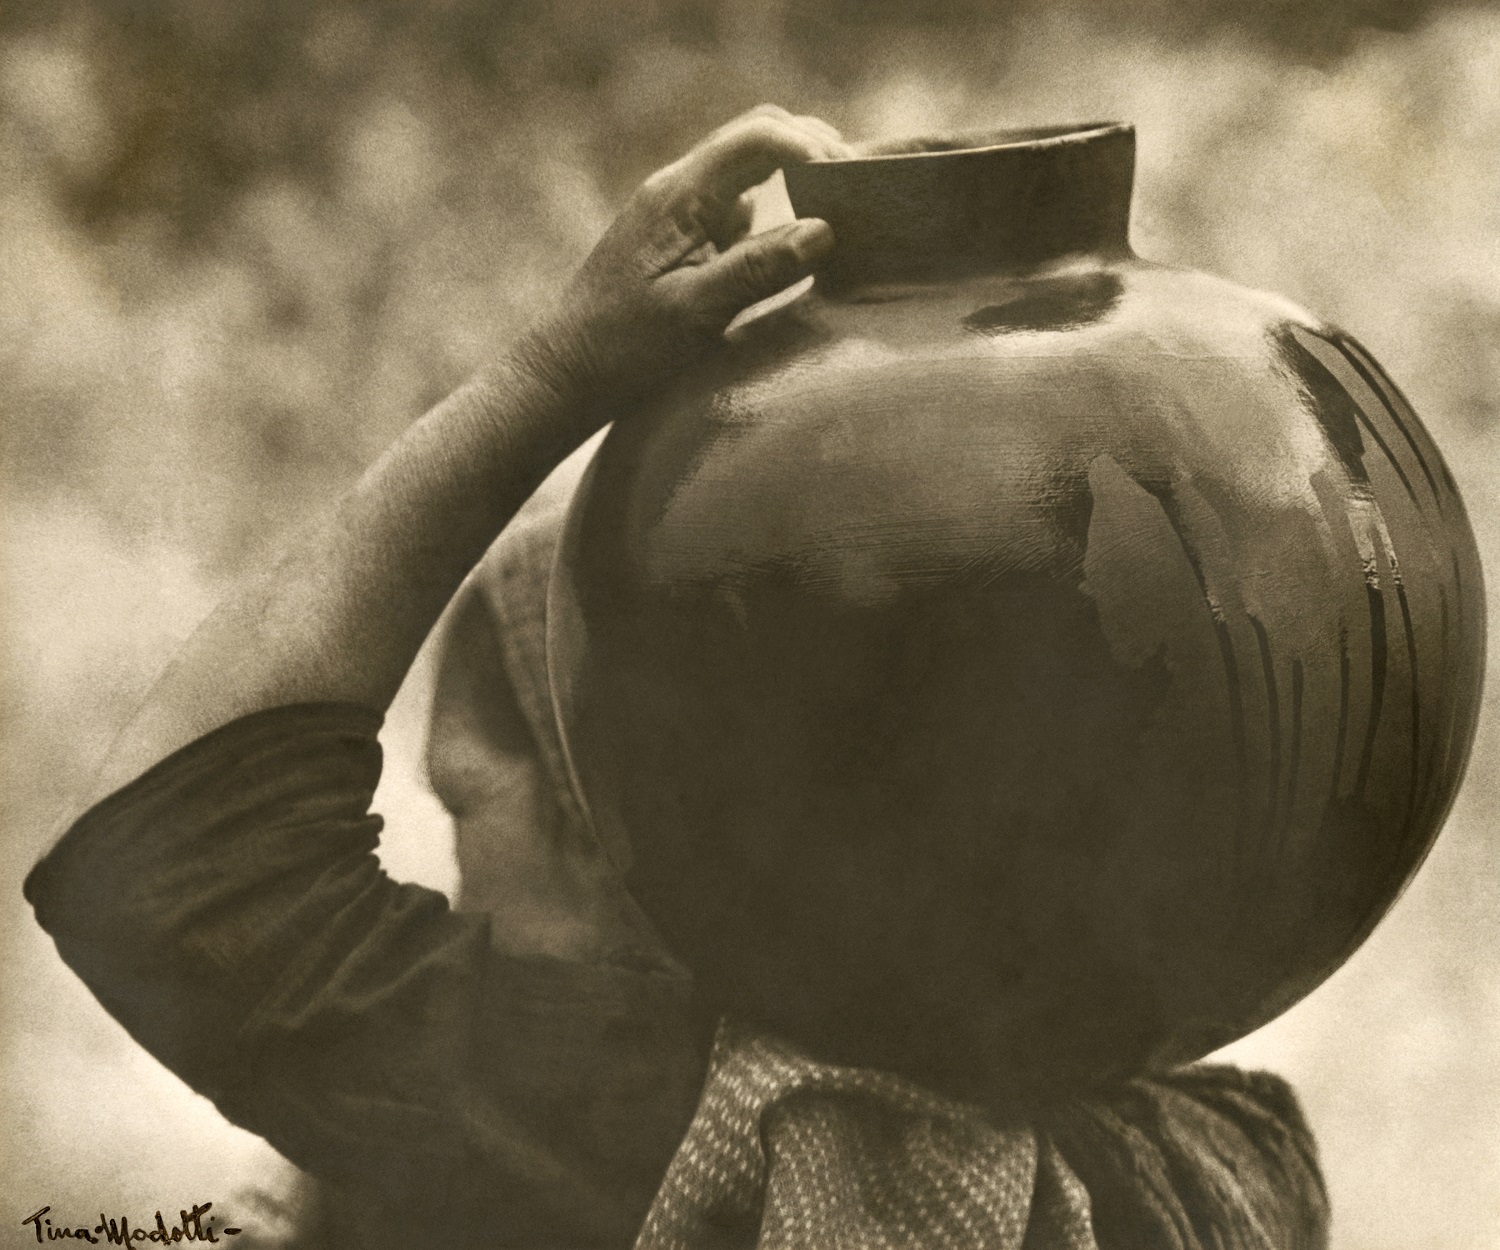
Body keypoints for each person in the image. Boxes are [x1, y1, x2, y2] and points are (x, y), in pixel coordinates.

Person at [26, 107, 1330, 1250]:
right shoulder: (1192, 1155)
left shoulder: (629, 1134)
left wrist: (553, 372)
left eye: (479, 800)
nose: (449, 879)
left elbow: (161, 864)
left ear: (654, 848)